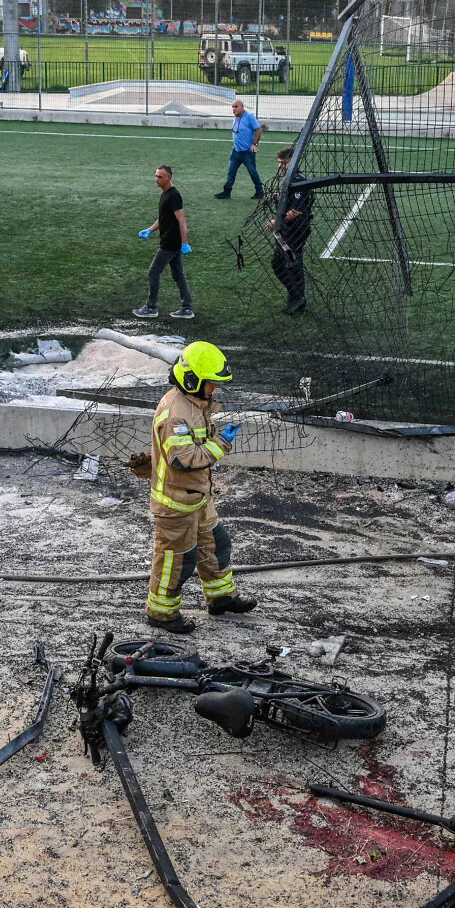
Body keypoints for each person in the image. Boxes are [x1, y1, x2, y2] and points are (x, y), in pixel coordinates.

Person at [144, 341, 256, 632]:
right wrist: (222, 443)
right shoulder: (176, 414)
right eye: (211, 384)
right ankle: (161, 613)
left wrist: (215, 436)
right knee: (177, 561)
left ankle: (221, 598)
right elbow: (185, 460)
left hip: (197, 497)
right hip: (175, 503)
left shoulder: (194, 403)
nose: (214, 389)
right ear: (192, 380)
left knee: (216, 545)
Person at [135, 164, 194, 320]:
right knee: (178, 275)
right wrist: (150, 229)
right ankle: (186, 308)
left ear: (169, 177)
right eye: (156, 176)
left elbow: (182, 220)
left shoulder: (173, 196)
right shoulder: (165, 194)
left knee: (153, 272)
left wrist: (184, 243)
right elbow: (163, 218)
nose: (156, 179)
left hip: (170, 242)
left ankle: (151, 307)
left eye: (160, 177)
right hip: (172, 242)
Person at [266, 147, 313, 313]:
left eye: (283, 163)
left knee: (280, 263)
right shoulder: (291, 177)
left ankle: (297, 297)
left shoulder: (298, 180)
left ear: (292, 161)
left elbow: (296, 211)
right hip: (291, 229)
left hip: (296, 230)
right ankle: (296, 299)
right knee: (292, 263)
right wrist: (277, 199)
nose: (280, 166)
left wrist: (276, 221)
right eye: (279, 163)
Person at [214, 99, 266, 200]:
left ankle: (260, 192)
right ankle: (227, 191)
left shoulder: (249, 117)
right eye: (232, 107)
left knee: (252, 172)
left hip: (248, 152)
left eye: (236, 107)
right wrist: (235, 144)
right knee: (231, 171)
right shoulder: (236, 118)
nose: (234, 109)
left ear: (242, 107)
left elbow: (258, 130)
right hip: (236, 151)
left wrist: (254, 144)